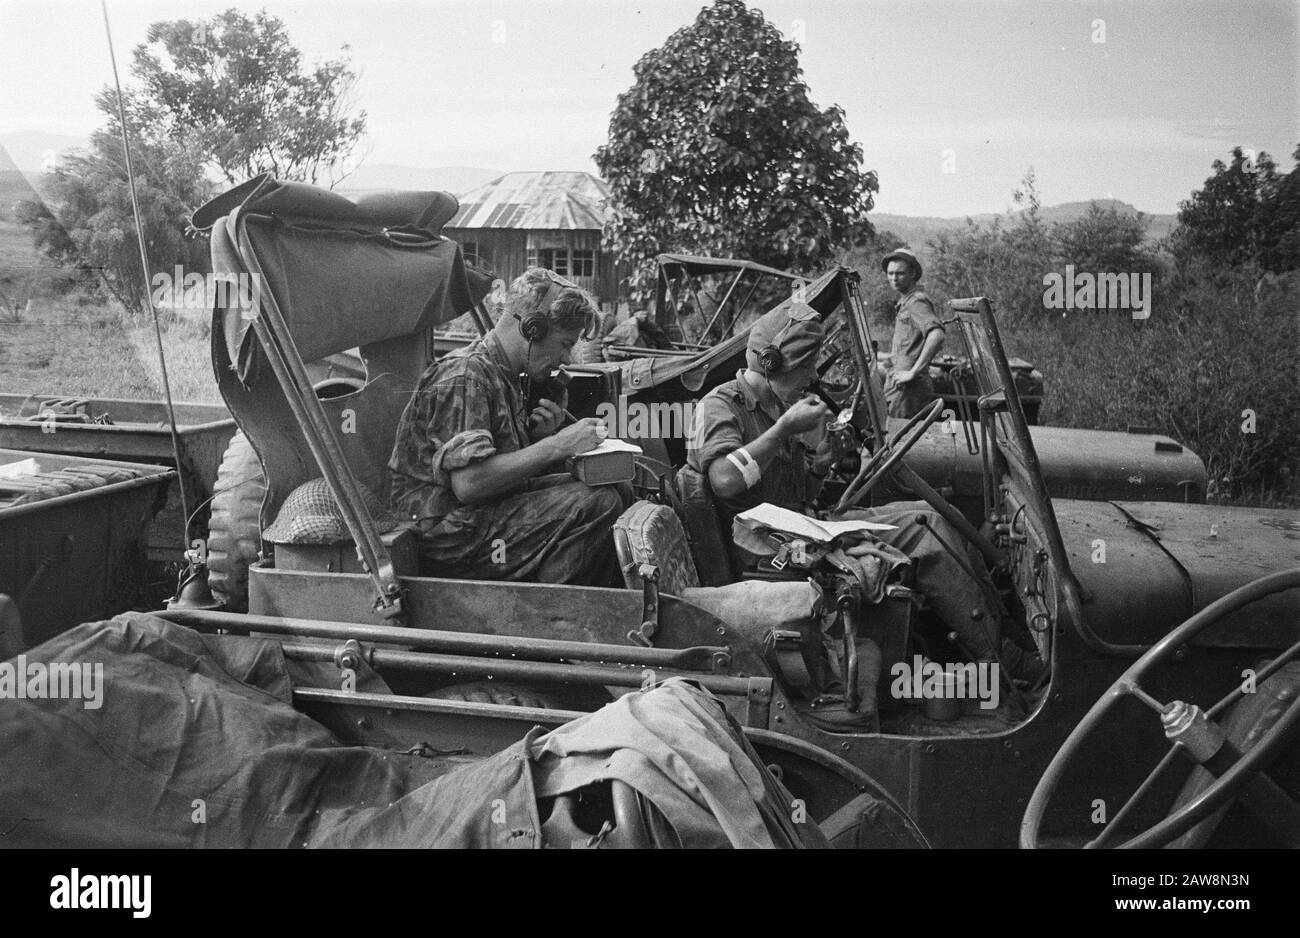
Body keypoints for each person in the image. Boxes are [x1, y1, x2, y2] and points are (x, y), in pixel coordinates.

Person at [684, 301, 1006, 664]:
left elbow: (795, 495)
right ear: (774, 362)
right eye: (805, 365)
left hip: (800, 530)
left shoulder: (778, 405)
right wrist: (784, 429)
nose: (811, 379)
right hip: (767, 550)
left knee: (929, 512)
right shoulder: (722, 404)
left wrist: (821, 464)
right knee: (926, 531)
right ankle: (999, 658)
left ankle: (999, 628)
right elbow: (724, 480)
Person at [388, 268, 623, 585]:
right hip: (445, 535)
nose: (567, 358)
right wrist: (557, 446)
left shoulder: (503, 375)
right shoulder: (466, 376)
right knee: (597, 504)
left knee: (614, 485)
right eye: (565, 344)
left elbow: (497, 472)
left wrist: (541, 438)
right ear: (532, 329)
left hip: (478, 518)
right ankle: (552, 617)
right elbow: (470, 484)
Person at [881, 248, 944, 418]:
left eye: (900, 273)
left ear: (913, 274)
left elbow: (937, 334)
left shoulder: (916, 302)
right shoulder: (906, 302)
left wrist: (913, 372)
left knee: (900, 440)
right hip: (899, 386)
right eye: (890, 273)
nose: (894, 278)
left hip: (908, 390)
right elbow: (907, 349)